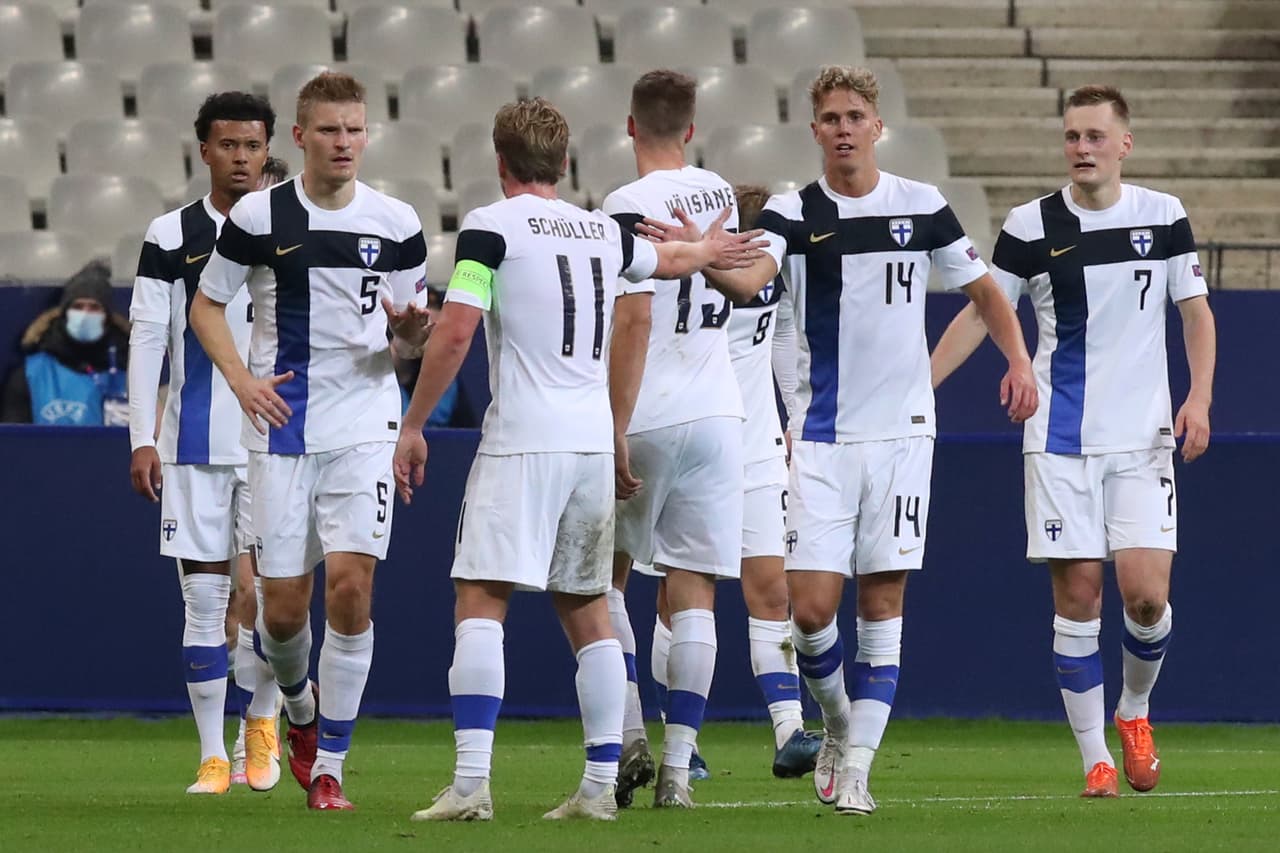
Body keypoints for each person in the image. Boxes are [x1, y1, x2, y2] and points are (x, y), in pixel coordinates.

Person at [655, 65, 1037, 815]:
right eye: (830, 118)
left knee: (884, 600)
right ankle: (835, 723)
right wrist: (700, 257)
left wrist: (1019, 360)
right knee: (809, 611)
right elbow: (751, 280)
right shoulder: (794, 211)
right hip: (822, 438)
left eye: (854, 116)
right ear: (815, 131)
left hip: (903, 436)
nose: (842, 128)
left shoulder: (922, 206)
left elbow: (986, 293)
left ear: (877, 126)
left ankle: (857, 766)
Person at [393, 97, 765, 822]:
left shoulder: (489, 228)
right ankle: (597, 787)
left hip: (523, 437)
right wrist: (709, 250)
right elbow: (669, 260)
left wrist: (413, 422)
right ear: (564, 163)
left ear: (499, 161)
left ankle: (471, 784)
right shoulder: (601, 229)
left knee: (481, 599)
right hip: (593, 440)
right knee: (588, 606)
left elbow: (458, 329)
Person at [930, 84, 1216, 798]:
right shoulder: (1030, 224)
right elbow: (985, 310)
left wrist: (1200, 397)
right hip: (1059, 439)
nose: (1081, 149)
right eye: (1072, 137)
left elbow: (1196, 313)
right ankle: (1095, 759)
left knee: (1145, 598)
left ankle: (1134, 710)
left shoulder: (1163, 215)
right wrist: (922, 383)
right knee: (1079, 596)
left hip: (1143, 438)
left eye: (1094, 136)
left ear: (1124, 144)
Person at [189, 71, 432, 811]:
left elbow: (408, 338)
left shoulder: (397, 222)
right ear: (299, 137)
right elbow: (206, 308)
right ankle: (299, 710)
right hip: (283, 428)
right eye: (329, 129)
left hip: (365, 423)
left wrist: (409, 336)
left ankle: (331, 765)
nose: (344, 142)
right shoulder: (259, 216)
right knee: (283, 613)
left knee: (352, 588)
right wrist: (241, 382)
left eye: (354, 129)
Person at [601, 69, 767, 809]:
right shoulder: (718, 192)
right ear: (692, 129)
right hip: (719, 413)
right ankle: (677, 772)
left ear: (630, 126)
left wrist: (614, 424)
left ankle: (629, 734)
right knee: (695, 592)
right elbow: (742, 281)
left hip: (648, 411)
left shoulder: (624, 205)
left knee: (601, 580)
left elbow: (634, 317)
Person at [127, 91, 284, 795]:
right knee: (203, 601)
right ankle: (214, 755)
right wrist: (141, 436)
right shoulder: (171, 234)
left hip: (278, 442)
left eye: (252, 145)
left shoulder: (293, 226)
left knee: (274, 600)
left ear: (269, 149)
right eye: (228, 145)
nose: (241, 158)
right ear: (205, 152)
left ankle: (262, 717)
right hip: (194, 443)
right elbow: (147, 338)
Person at [724, 184, 822, 776]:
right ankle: (678, 745)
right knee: (677, 597)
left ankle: (789, 730)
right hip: (697, 441)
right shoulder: (694, 271)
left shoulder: (774, 279)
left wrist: (796, 419)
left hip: (759, 446)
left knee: (772, 589)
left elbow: (783, 337)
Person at [1, 260, 129, 425]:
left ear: (107, 317)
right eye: (78, 306)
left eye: (94, 307)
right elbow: (14, 434)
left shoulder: (129, 371)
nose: (85, 314)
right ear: (64, 314)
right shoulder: (33, 373)